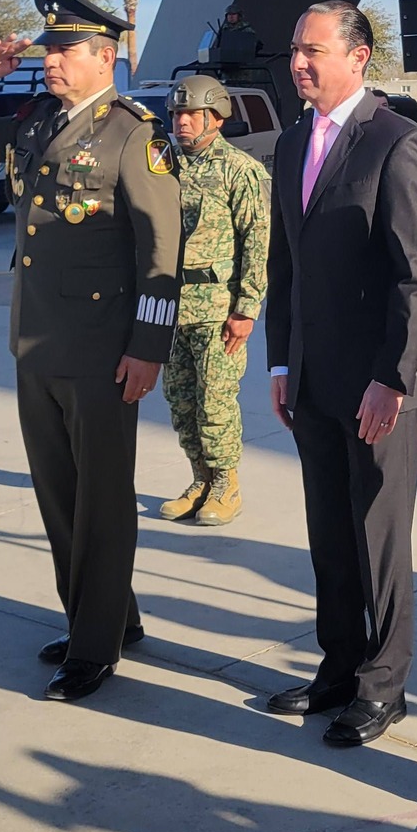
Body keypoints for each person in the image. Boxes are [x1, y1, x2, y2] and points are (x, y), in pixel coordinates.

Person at [0, 0, 182, 702]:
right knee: (59, 494)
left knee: (102, 499)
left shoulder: (134, 135)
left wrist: (147, 347)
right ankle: (105, 617)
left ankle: (94, 648)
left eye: (64, 50)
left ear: (103, 57)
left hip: (101, 349)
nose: (49, 61)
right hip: (37, 340)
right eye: (47, 49)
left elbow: (159, 251)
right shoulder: (39, 121)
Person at [264, 0, 417, 747]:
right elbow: (284, 267)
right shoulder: (293, 139)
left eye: (313, 50)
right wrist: (280, 360)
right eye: (294, 51)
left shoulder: (397, 142)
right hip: (310, 379)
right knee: (329, 534)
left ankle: (383, 685)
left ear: (358, 55)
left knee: (378, 537)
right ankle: (337, 665)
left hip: (375, 387)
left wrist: (393, 378)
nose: (299, 63)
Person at [157, 75, 269, 528]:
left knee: (216, 401)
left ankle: (226, 483)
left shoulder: (239, 170)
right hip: (171, 304)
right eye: (178, 115)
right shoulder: (163, 167)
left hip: (217, 307)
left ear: (216, 119)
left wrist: (246, 309)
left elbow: (257, 242)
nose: (181, 122)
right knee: (180, 399)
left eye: (191, 115)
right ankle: (199, 478)